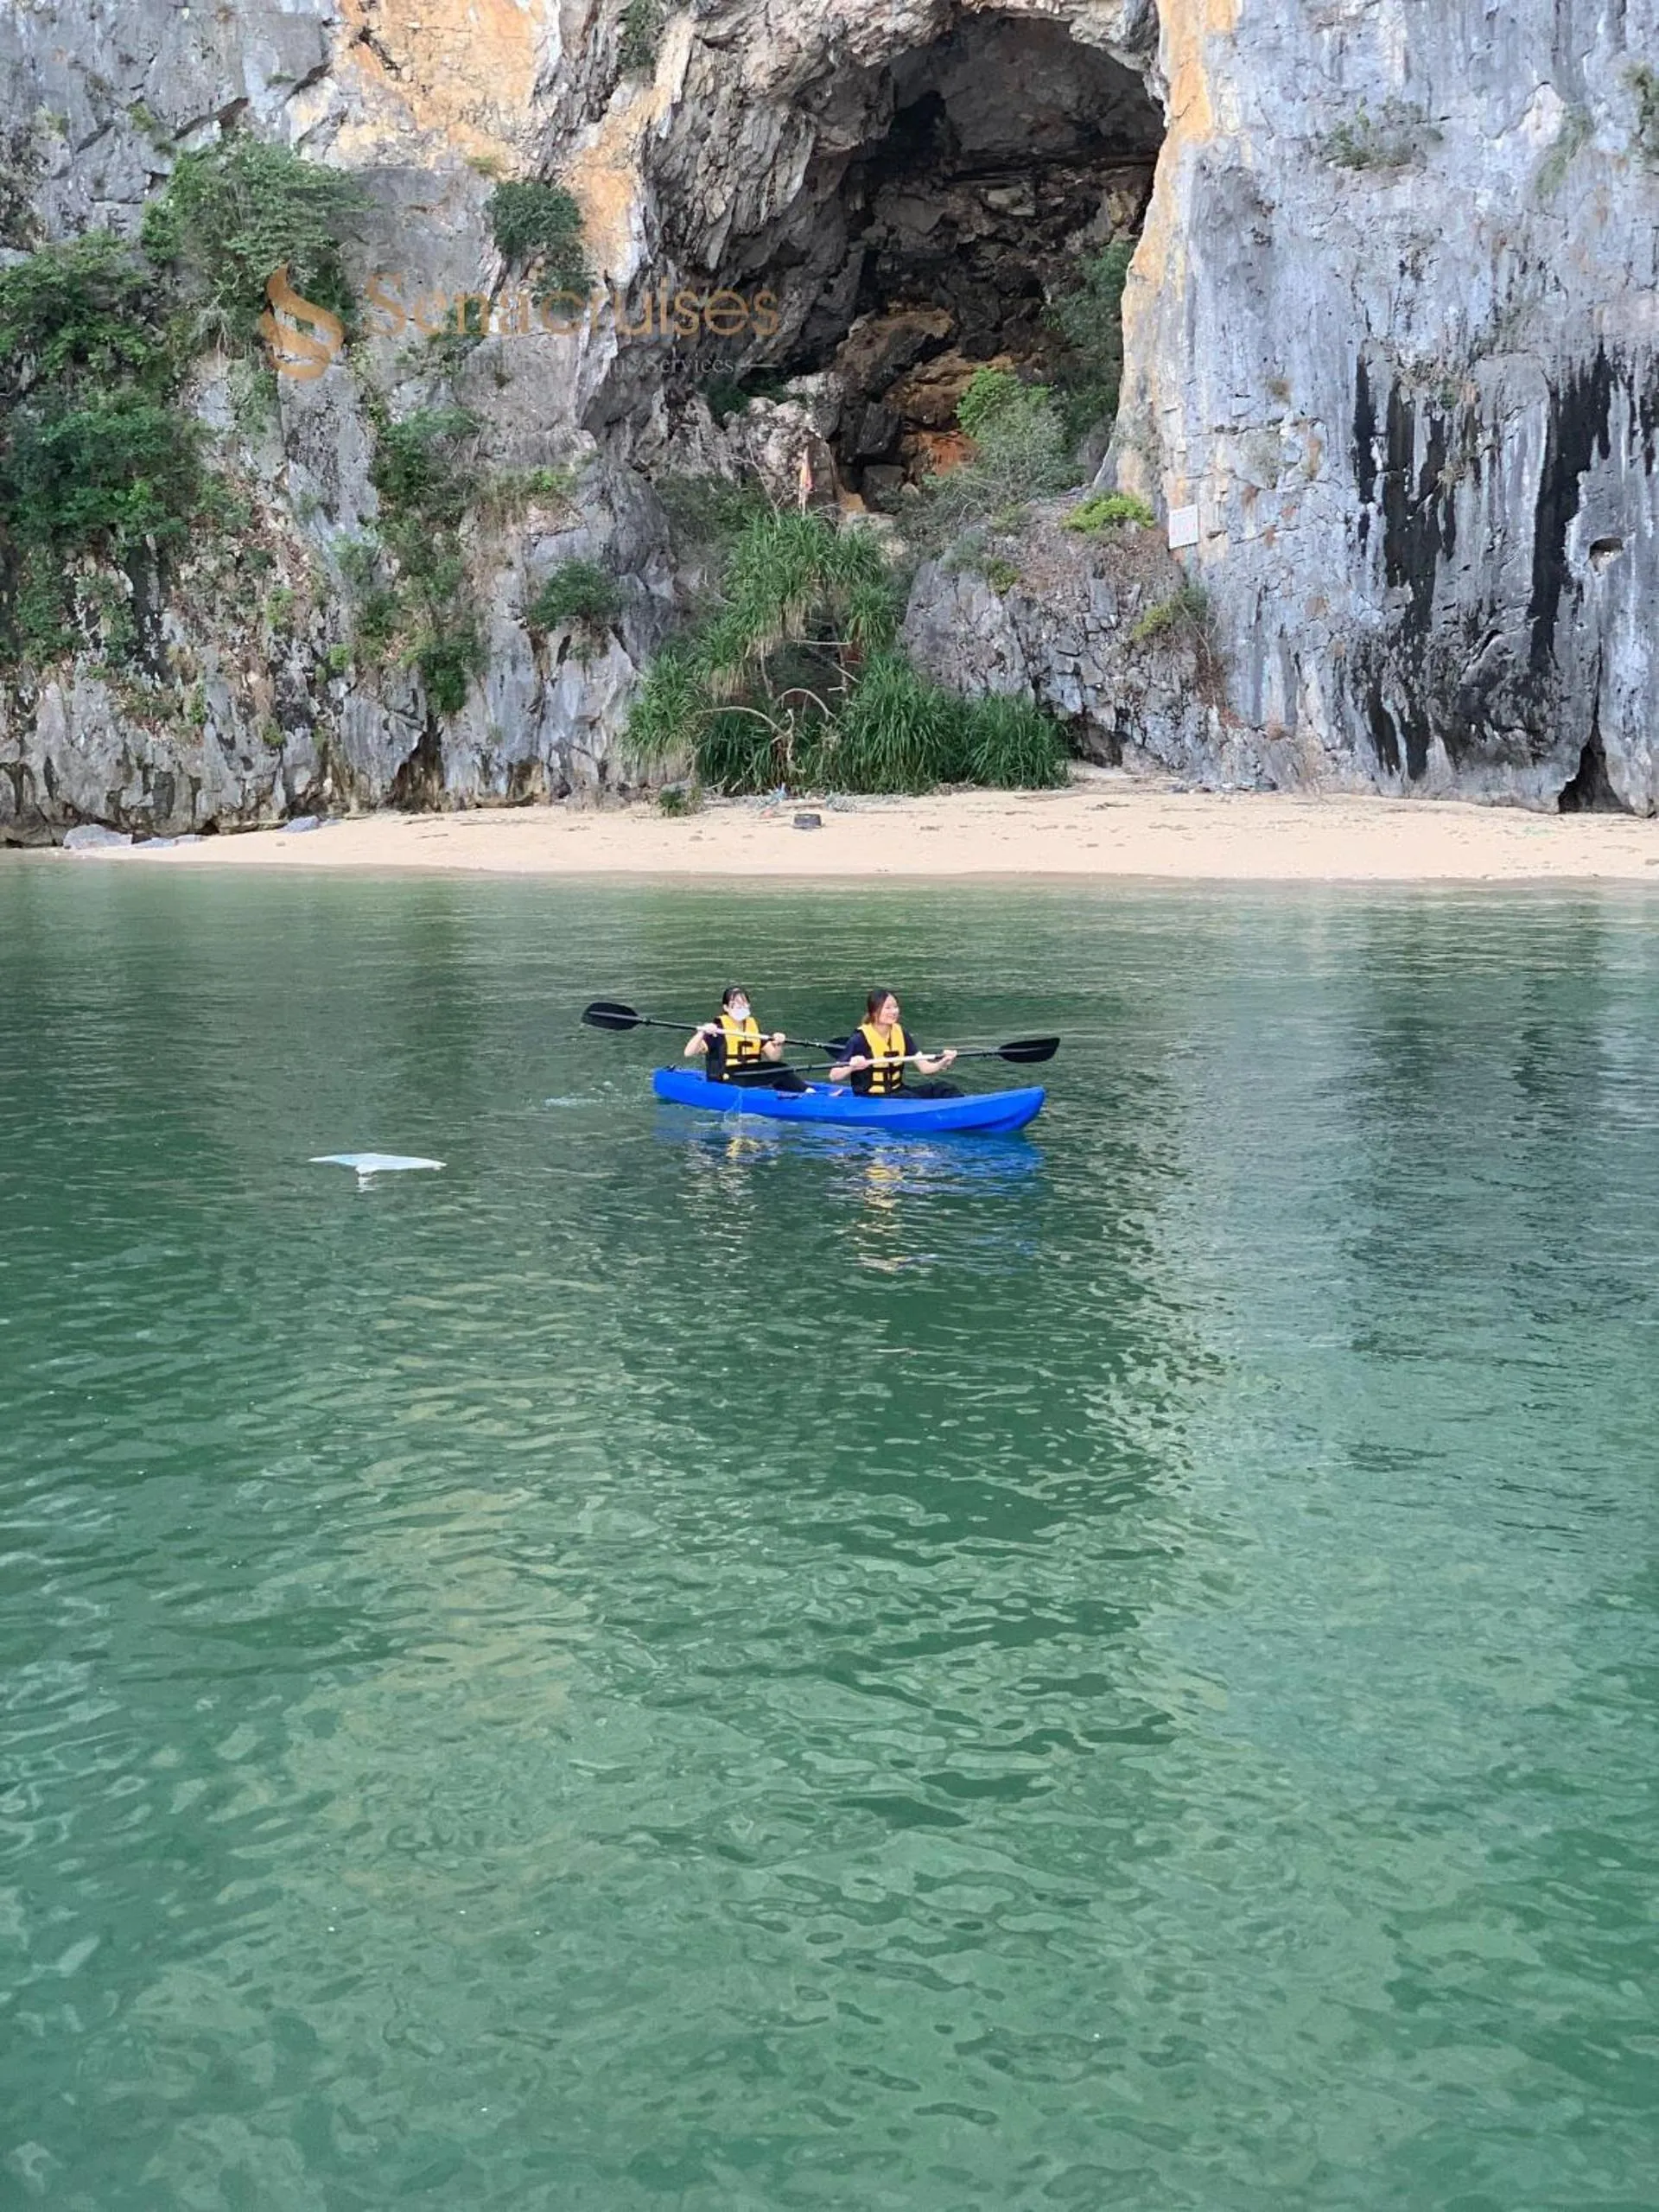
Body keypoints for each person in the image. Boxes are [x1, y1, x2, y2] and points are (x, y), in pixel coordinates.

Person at [830, 989, 959, 1097]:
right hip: (871, 1097)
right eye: (888, 1008)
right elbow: (834, 1076)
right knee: (908, 1098)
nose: (894, 1011)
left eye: (895, 1007)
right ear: (874, 1012)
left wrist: (943, 1062)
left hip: (898, 1092)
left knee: (943, 1089)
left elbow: (925, 1068)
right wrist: (852, 1067)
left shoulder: (900, 1033)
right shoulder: (859, 1038)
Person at [684, 986, 806, 1091]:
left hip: (751, 1075)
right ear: (726, 1008)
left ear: (749, 1005)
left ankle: (807, 1092)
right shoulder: (718, 1030)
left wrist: (778, 1044)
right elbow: (688, 1053)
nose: (740, 1007)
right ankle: (806, 1092)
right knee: (779, 1071)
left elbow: (774, 1057)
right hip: (728, 1078)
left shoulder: (752, 1027)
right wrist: (701, 1033)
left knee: (781, 1069)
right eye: (734, 1004)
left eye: (743, 1004)